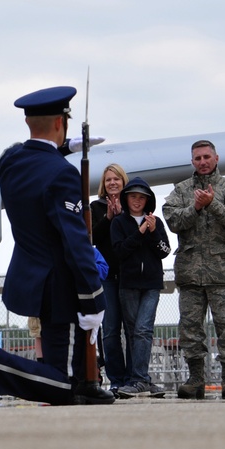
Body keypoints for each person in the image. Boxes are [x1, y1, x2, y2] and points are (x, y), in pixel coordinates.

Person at [0, 86, 113, 406]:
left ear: (29, 122)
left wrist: (64, 147)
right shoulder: (62, 175)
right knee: (65, 385)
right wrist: (94, 299)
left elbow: (25, 155)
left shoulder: (10, 164)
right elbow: (76, 242)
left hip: (31, 278)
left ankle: (82, 385)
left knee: (63, 374)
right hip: (62, 287)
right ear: (60, 122)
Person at [162, 140, 225, 400]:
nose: (202, 162)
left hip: (223, 271)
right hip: (190, 273)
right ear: (192, 161)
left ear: (216, 158)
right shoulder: (181, 191)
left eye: (207, 157)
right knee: (190, 329)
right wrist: (196, 207)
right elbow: (173, 220)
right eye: (197, 158)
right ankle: (196, 378)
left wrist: (212, 204)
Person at [111, 177, 171, 398]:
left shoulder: (157, 222)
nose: (137, 201)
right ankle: (141, 379)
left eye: (142, 197)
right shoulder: (118, 223)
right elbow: (120, 252)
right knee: (133, 332)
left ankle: (139, 380)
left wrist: (153, 232)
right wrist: (141, 232)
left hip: (152, 285)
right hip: (128, 285)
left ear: (148, 200)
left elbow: (165, 251)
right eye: (133, 196)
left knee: (143, 330)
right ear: (126, 198)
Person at [91, 163, 130, 394]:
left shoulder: (134, 204)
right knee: (111, 330)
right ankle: (116, 379)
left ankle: (135, 377)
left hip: (129, 276)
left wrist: (122, 215)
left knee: (133, 329)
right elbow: (92, 237)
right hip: (107, 276)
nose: (112, 183)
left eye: (116, 179)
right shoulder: (96, 206)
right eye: (108, 180)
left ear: (123, 181)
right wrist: (108, 217)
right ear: (103, 185)